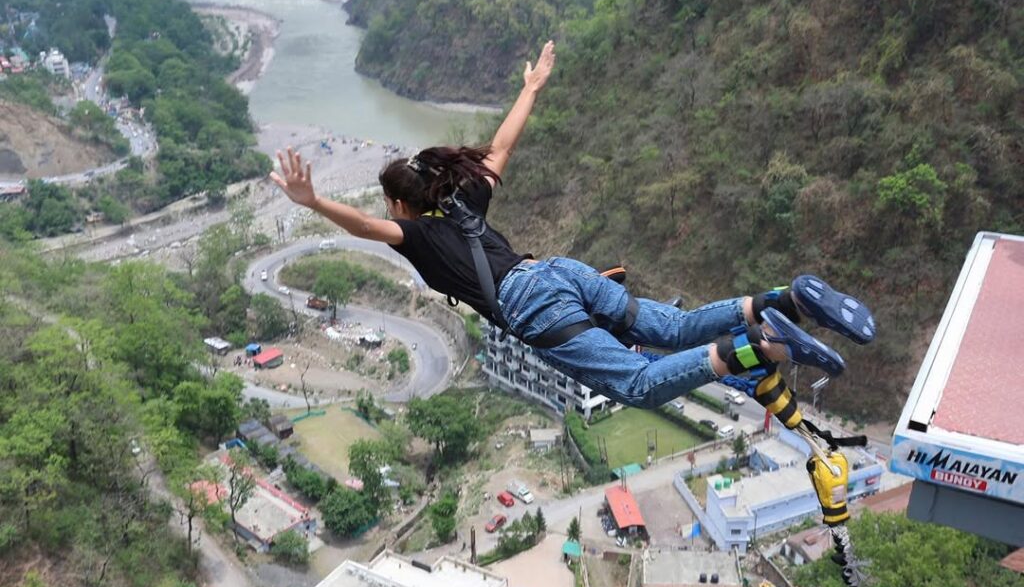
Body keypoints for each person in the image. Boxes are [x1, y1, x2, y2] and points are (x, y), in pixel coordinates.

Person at [269, 41, 875, 409]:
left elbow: (363, 229)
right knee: (674, 327)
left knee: (639, 385)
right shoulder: (465, 199)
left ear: (400, 204)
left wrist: (314, 201)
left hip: (533, 307)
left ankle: (760, 346)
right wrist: (531, 87)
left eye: (389, 207)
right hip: (559, 272)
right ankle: (788, 300)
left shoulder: (419, 235)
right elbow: (502, 146)